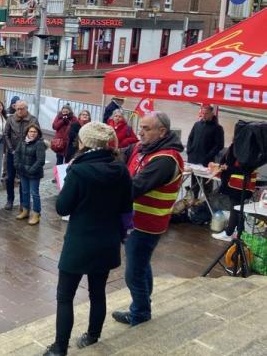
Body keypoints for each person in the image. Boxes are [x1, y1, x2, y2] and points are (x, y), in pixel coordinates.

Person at [43, 122, 133, 356]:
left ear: (84, 143)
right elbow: (126, 206)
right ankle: (93, 336)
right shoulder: (121, 169)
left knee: (65, 296)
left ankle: (59, 348)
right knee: (97, 292)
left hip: (80, 242)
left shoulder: (79, 171)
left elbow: (62, 208)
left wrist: (67, 186)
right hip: (107, 241)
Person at [114, 112, 184, 326]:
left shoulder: (165, 159)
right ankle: (142, 304)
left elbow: (134, 187)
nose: (140, 132)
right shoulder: (143, 148)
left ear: (162, 132)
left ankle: (140, 314)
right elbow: (121, 154)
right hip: (135, 220)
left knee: (133, 273)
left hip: (147, 225)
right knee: (142, 266)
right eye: (140, 127)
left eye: (146, 128)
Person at [211, 140, 258, 241]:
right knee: (237, 209)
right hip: (237, 184)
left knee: (235, 208)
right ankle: (239, 232)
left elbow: (244, 169)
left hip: (239, 185)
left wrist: (227, 167)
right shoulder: (241, 146)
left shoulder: (244, 148)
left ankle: (229, 233)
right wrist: (223, 166)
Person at [4, 100, 40, 210]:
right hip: (12, 153)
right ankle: (10, 199)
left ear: (26, 108)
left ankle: (23, 202)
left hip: (26, 154)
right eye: (17, 109)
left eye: (22, 109)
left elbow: (37, 135)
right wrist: (11, 149)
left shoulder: (33, 119)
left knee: (23, 179)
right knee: (10, 177)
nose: (19, 111)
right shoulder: (10, 118)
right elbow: (6, 135)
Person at [187, 104, 224, 199]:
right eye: (202, 113)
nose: (204, 115)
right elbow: (190, 138)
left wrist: (208, 156)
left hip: (207, 162)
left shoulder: (217, 128)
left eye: (206, 113)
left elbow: (219, 145)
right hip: (193, 159)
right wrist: (189, 150)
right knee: (194, 184)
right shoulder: (197, 124)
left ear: (212, 113)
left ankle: (206, 205)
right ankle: (193, 203)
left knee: (206, 185)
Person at [14, 124, 46, 225]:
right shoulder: (22, 141)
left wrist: (31, 170)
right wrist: (17, 165)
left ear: (38, 133)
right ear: (27, 132)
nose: (32, 134)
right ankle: (25, 210)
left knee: (34, 193)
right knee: (24, 192)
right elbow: (17, 153)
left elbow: (41, 160)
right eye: (30, 131)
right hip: (23, 171)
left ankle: (36, 214)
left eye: (34, 132)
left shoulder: (39, 144)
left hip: (34, 173)